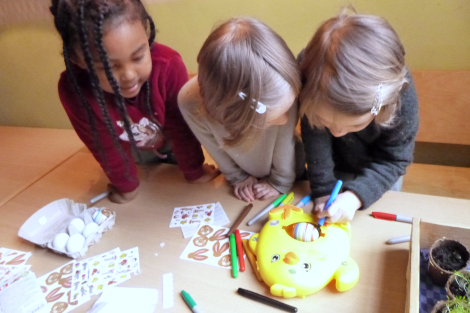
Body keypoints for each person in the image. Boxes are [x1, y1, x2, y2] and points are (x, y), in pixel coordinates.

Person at [50, 0, 219, 203]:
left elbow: (181, 127)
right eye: (108, 67)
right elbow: (103, 145)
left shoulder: (169, 65)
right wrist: (126, 186)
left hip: (174, 143)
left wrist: (194, 170)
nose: (128, 76)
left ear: (147, 35)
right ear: (79, 61)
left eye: (138, 57)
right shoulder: (74, 90)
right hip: (131, 150)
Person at [299, 9, 419, 223]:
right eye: (324, 123)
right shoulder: (311, 79)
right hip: (330, 168)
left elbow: (394, 160)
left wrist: (355, 197)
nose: (335, 133)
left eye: (353, 125)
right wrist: (323, 188)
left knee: (374, 227)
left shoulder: (399, 97)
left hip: (381, 173)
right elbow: (315, 137)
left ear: (380, 106)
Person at [178, 17, 305, 203]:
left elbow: (286, 144)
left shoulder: (282, 89)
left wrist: (280, 181)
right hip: (245, 172)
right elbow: (214, 146)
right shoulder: (189, 102)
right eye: (268, 121)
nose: (285, 121)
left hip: (289, 171)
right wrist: (238, 177)